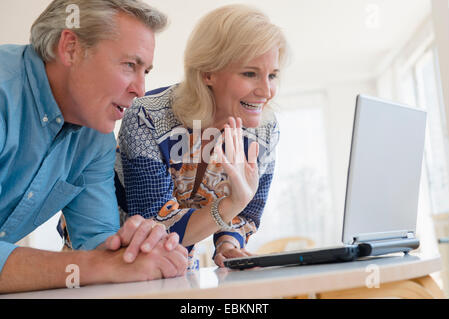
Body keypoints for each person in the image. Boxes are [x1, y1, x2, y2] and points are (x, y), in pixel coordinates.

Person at [0, 0, 188, 293]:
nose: (139, 90)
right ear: (71, 48)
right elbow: (98, 264)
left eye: (146, 72)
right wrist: (103, 266)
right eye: (129, 65)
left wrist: (135, 249)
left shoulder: (96, 137)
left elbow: (96, 238)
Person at [115, 4, 287, 269]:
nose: (266, 91)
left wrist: (228, 245)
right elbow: (156, 227)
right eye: (250, 73)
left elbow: (246, 214)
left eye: (272, 75)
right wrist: (234, 202)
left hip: (180, 265)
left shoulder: (264, 130)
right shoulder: (147, 117)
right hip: (115, 262)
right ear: (208, 73)